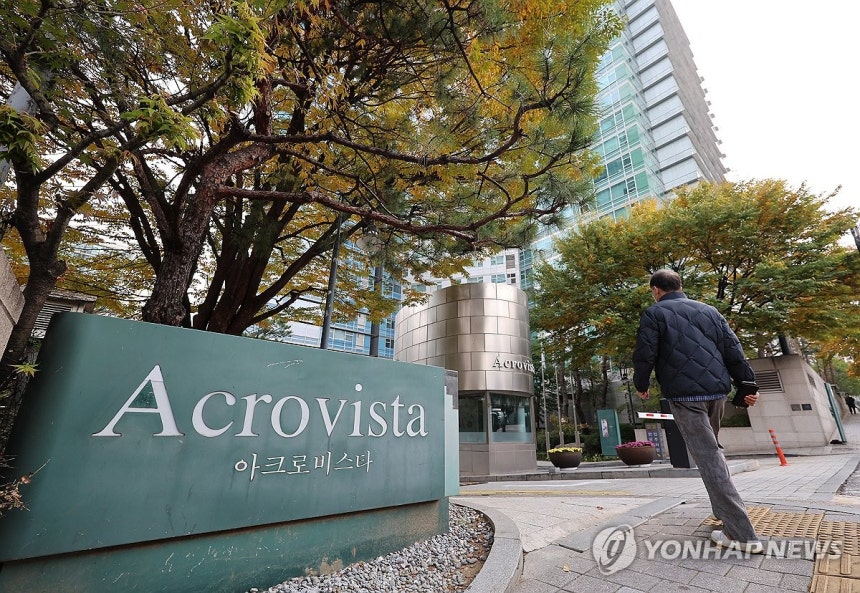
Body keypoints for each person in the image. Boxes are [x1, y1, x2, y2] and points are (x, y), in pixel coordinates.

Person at [632, 269, 763, 554]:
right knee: (713, 450)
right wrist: (746, 383)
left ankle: (741, 534)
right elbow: (733, 349)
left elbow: (645, 353)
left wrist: (641, 384)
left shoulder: (655, 313)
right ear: (680, 285)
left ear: (656, 290)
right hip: (717, 393)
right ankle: (722, 511)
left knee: (708, 456)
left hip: (685, 395)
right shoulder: (710, 311)